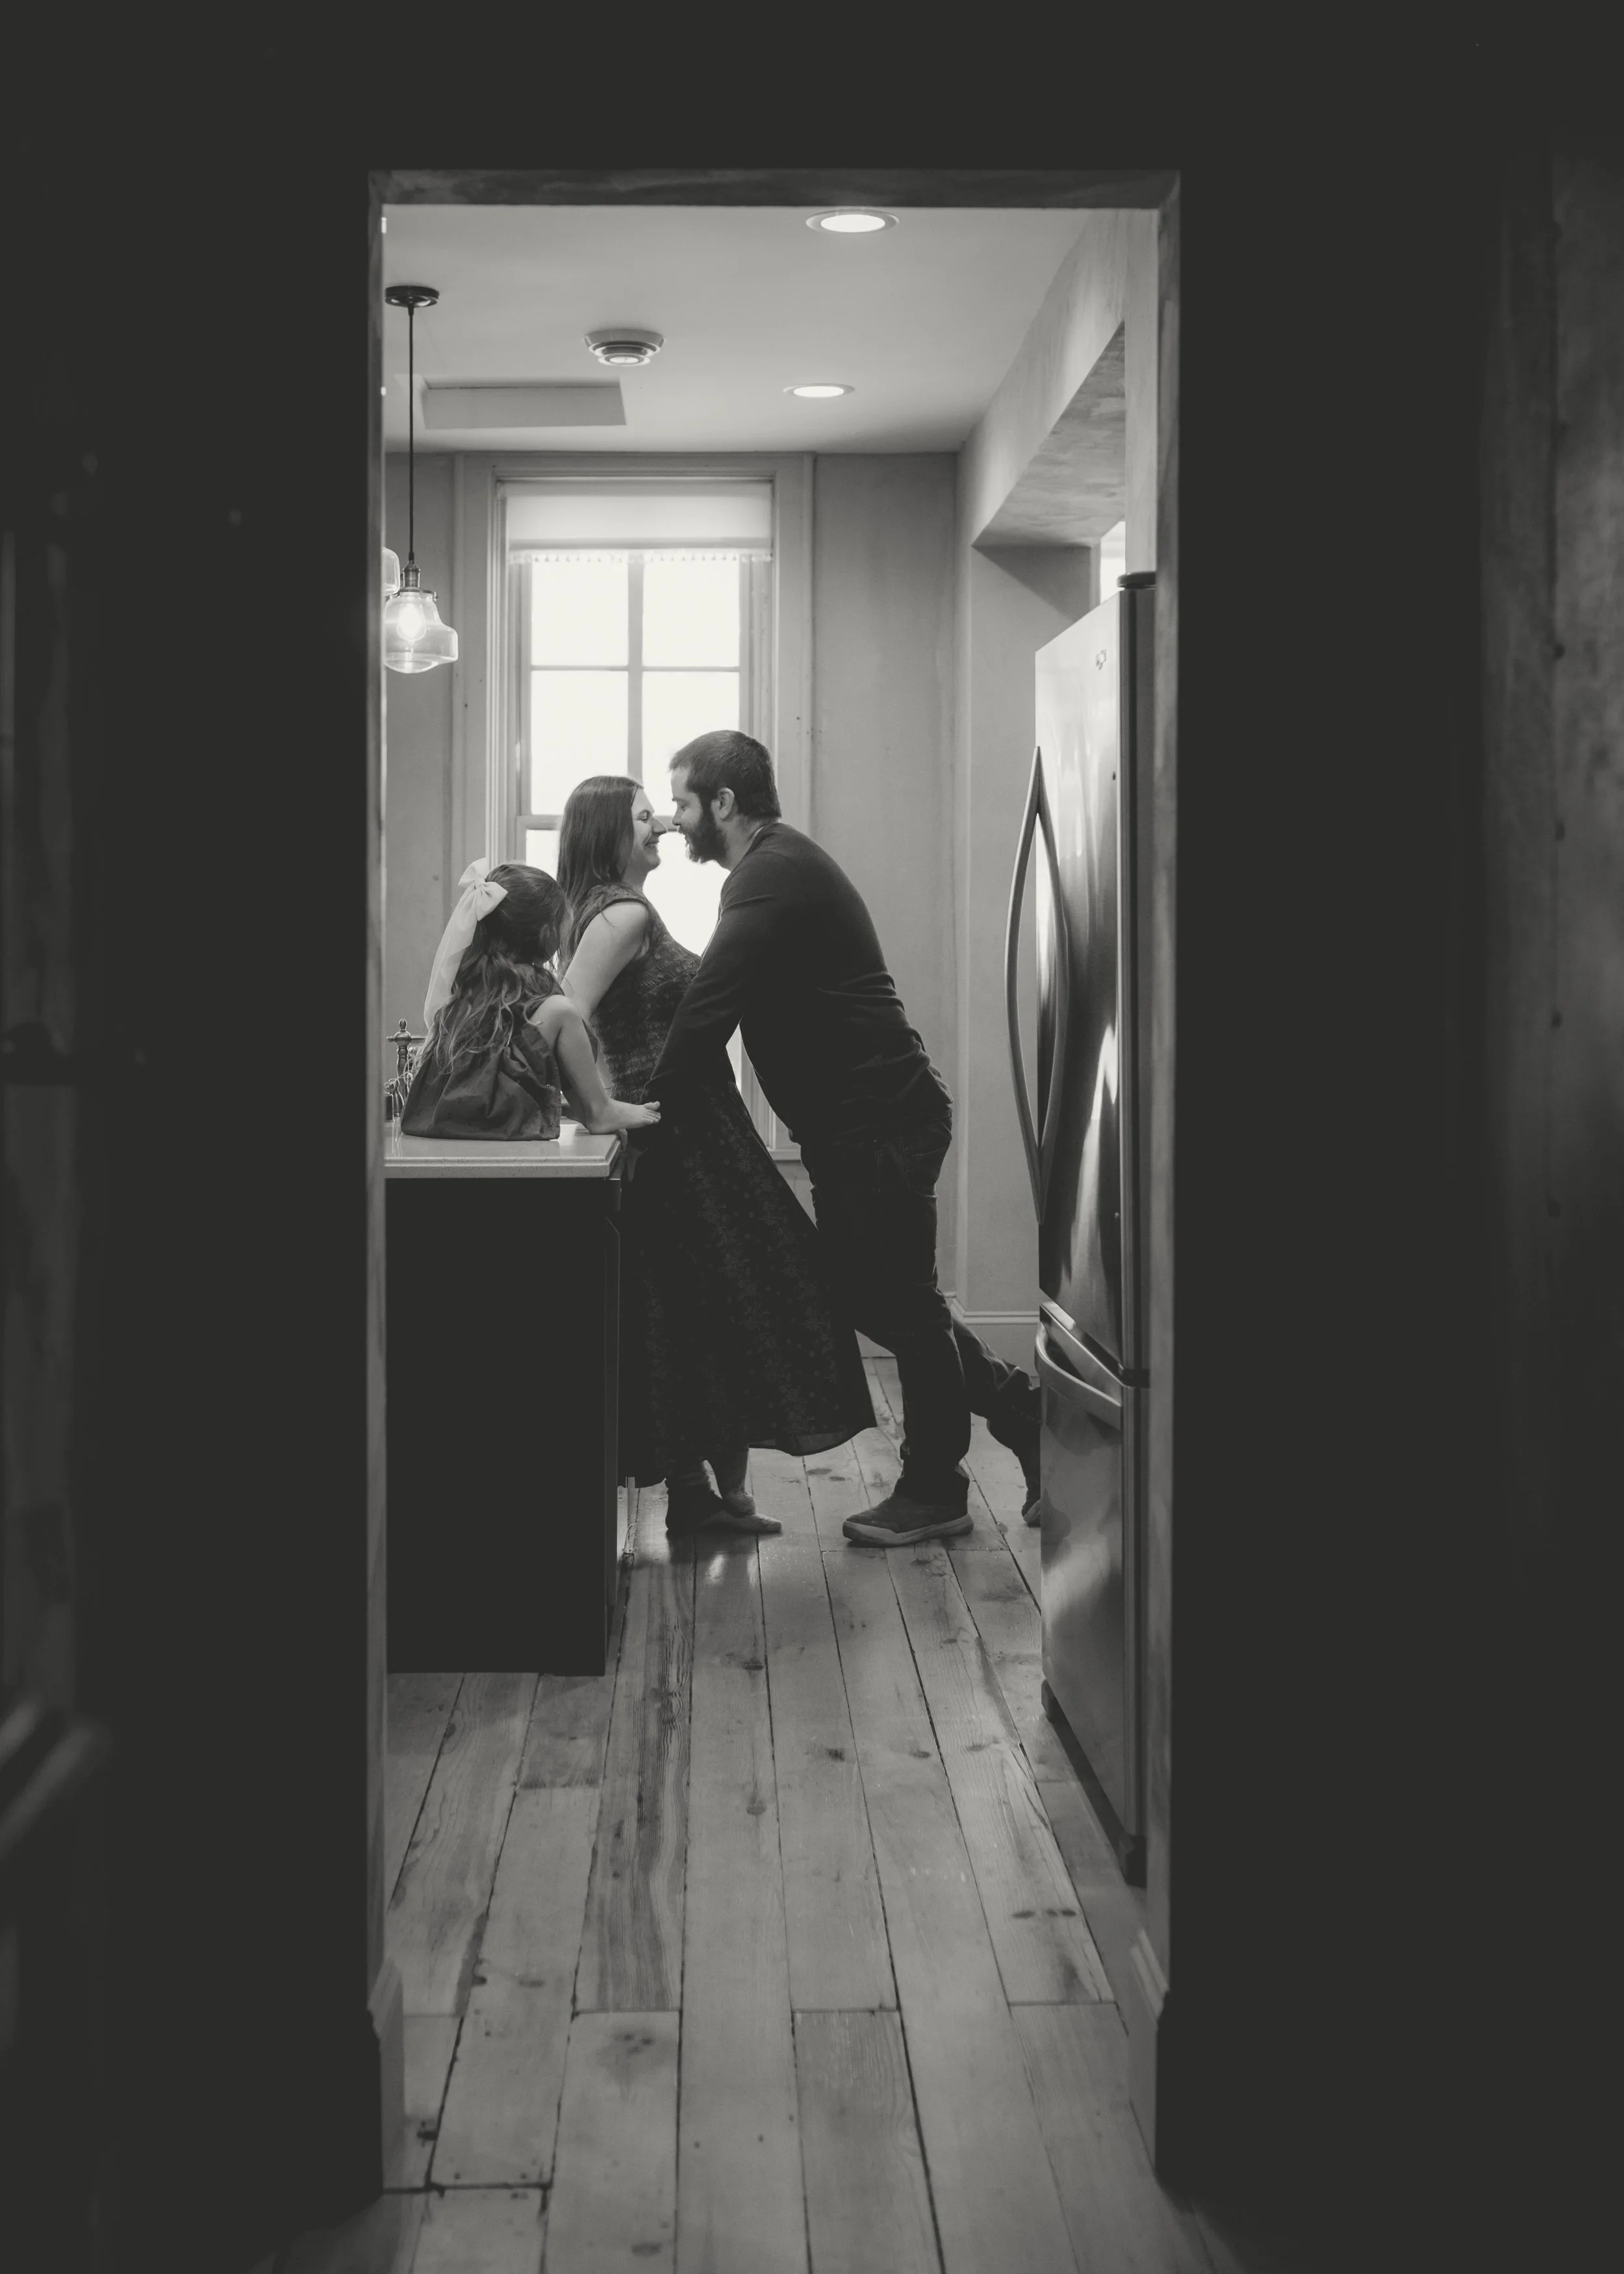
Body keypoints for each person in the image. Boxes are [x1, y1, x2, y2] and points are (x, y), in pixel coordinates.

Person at [644, 731, 1043, 1549]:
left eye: (684, 801)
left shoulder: (769, 874)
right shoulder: (771, 868)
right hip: (861, 1124)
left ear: (724, 802)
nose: (674, 820)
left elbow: (711, 1002)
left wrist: (644, 1109)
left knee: (900, 1300)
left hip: (879, 1122)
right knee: (877, 1297)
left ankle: (936, 1484)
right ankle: (1021, 1413)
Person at [557, 775, 874, 1536]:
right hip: (680, 1134)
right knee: (733, 1293)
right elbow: (560, 1016)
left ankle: (711, 1496)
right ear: (607, 833)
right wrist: (596, 1107)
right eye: (643, 817)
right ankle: (710, 1495)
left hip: (694, 1127)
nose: (660, 825)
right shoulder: (623, 913)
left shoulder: (613, 912)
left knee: (697, 1308)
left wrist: (598, 1103)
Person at [401, 858, 658, 1142]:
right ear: (547, 932)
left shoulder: (468, 988)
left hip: (444, 1116)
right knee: (563, 1012)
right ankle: (598, 1109)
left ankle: (590, 1107)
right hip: (492, 1115)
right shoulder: (535, 984)